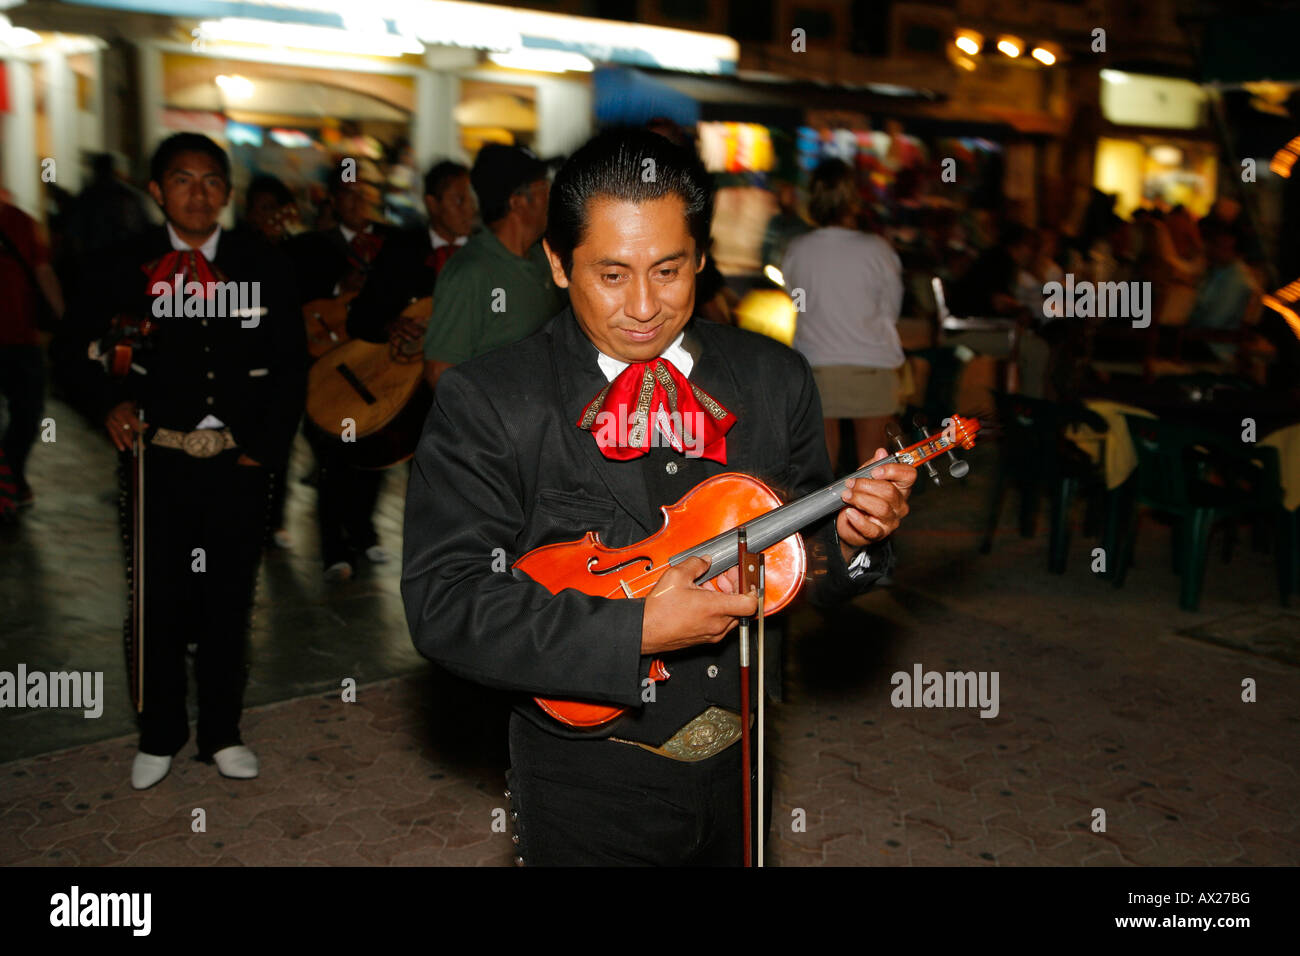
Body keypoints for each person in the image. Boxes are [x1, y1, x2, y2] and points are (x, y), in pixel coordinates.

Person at [401, 129, 916, 866]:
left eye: (668, 270)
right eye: (611, 274)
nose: (643, 305)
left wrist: (858, 542)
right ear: (556, 261)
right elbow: (447, 603)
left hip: (744, 758)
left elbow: (809, 560)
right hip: (586, 775)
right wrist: (633, 629)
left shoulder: (774, 379)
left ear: (702, 258)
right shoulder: (492, 401)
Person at [78, 132, 306, 789]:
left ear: (228, 194)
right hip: (158, 464)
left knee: (229, 602)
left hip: (236, 464)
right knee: (156, 602)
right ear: (157, 191)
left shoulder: (263, 264)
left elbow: (291, 366)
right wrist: (108, 403)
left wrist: (263, 450)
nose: (198, 194)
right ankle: (159, 733)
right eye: (183, 180)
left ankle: (221, 732)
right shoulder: (121, 265)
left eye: (212, 182)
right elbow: (74, 349)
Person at [781, 158, 906, 470]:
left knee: (820, 472)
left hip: (816, 365)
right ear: (854, 199)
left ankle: (824, 521)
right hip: (871, 364)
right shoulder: (878, 249)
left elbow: (798, 304)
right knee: (873, 471)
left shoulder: (797, 249)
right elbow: (890, 311)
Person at [421, 144, 565, 391]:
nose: (552, 195)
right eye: (544, 187)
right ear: (518, 202)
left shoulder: (544, 258)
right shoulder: (471, 272)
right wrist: (491, 426)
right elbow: (439, 370)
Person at [0, 190, 64, 508]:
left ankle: (11, 475)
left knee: (28, 412)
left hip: (21, 337)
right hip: (20, 340)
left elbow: (43, 271)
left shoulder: (21, 222)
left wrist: (63, 318)